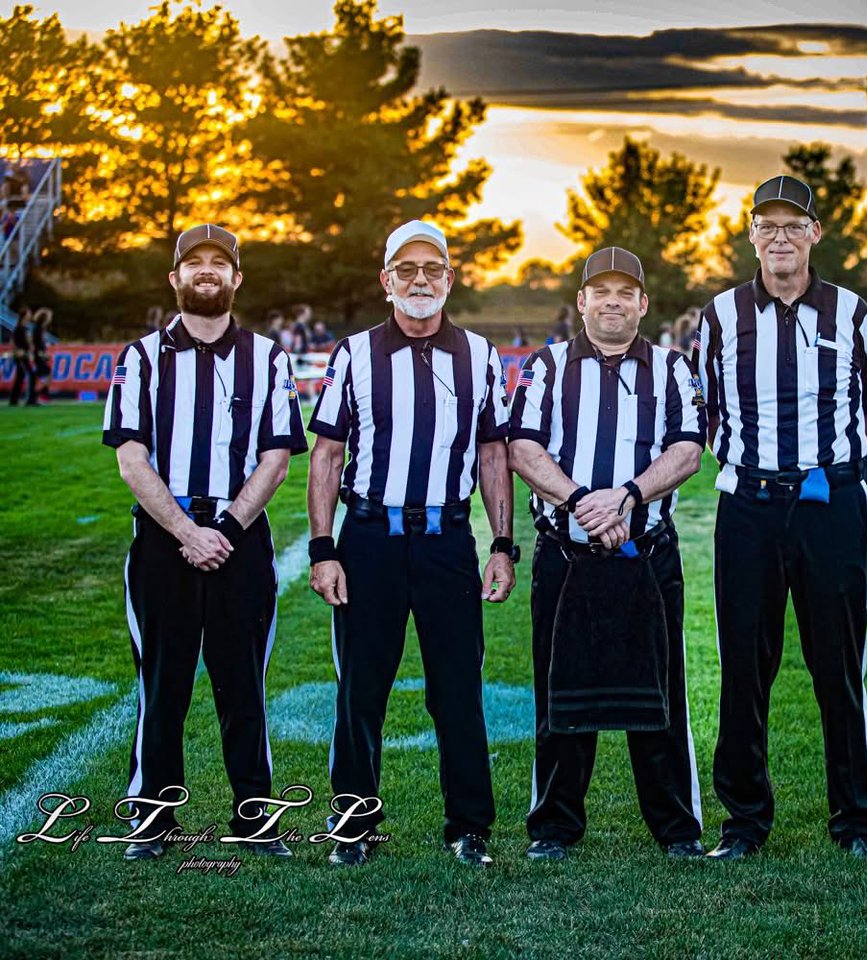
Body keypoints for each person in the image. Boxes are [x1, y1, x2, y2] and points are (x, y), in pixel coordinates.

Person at [694, 174, 867, 861]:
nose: (780, 237)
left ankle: (855, 823)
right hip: (746, 505)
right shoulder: (720, 315)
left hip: (828, 506)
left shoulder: (851, 312)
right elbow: (708, 412)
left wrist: (827, 473)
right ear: (751, 234)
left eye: (792, 224)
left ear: (814, 232)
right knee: (745, 665)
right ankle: (744, 821)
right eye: (767, 225)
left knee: (838, 664)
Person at [307, 220, 516, 869]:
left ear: (449, 278)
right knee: (360, 690)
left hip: (445, 540)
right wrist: (322, 548)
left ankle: (469, 827)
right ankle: (354, 822)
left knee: (456, 689)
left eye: (432, 268)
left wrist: (503, 543)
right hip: (369, 537)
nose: (420, 280)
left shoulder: (479, 356)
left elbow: (491, 453)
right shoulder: (354, 354)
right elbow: (327, 455)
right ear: (387, 280)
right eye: (407, 269)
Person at [102, 224, 308, 861]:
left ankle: (254, 817)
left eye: (221, 262)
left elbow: (277, 458)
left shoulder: (268, 357)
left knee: (242, 685)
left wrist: (224, 529)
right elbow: (132, 460)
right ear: (175, 278)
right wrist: (188, 532)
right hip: (164, 541)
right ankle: (153, 817)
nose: (208, 271)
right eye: (196, 263)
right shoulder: (140, 358)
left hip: (240, 539)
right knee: (161, 686)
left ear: (237, 277)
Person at [508, 246, 706, 861]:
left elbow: (688, 450)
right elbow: (523, 447)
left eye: (626, 293)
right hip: (565, 557)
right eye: (602, 292)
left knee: (661, 690)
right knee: (558, 691)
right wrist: (579, 504)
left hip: (646, 553)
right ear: (582, 302)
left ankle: (677, 829)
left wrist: (625, 497)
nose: (613, 302)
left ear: (643, 304)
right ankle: (554, 828)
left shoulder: (672, 368)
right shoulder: (545, 367)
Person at [7, 307, 35, 406]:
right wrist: (17, 351)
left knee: (21, 376)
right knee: (29, 375)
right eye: (29, 313)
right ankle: (29, 399)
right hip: (21, 356)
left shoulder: (25, 328)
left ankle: (14, 400)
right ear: (24, 315)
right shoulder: (19, 328)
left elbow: (28, 342)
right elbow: (14, 341)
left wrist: (30, 352)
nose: (30, 315)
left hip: (25, 355)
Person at [31, 307, 52, 404]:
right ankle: (39, 394)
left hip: (40, 356)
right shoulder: (37, 329)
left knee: (45, 375)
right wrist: (41, 354)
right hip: (38, 357)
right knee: (45, 375)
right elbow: (36, 344)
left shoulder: (40, 329)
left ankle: (40, 394)